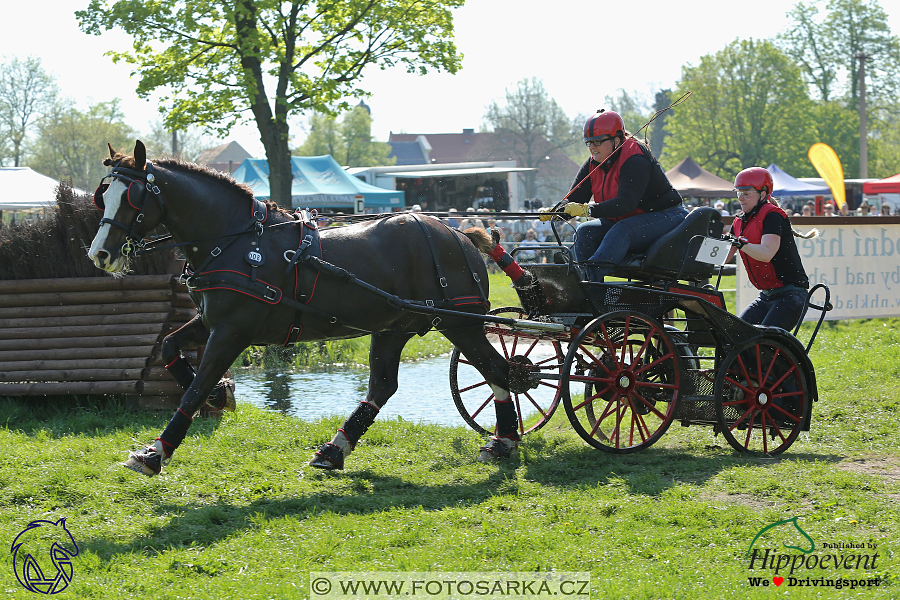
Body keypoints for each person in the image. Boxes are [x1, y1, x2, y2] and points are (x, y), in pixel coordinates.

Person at [540, 109, 687, 281]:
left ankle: (586, 277)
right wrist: (555, 212)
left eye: (597, 142)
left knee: (622, 230)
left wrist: (587, 210)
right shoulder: (593, 163)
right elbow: (574, 200)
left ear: (616, 141)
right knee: (584, 230)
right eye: (588, 143)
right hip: (630, 221)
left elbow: (626, 204)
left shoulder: (635, 158)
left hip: (667, 216)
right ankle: (589, 288)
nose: (592, 148)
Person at [726, 167, 819, 331]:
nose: (741, 198)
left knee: (760, 342)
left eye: (747, 193)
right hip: (767, 296)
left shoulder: (773, 216)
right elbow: (723, 258)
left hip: (791, 295)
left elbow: (766, 254)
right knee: (735, 335)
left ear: (762, 194)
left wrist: (740, 243)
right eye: (738, 193)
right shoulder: (739, 220)